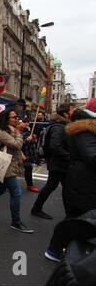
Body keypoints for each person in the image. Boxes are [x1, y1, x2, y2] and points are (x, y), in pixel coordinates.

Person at [44, 103, 96, 262]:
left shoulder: (80, 130)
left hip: (77, 177)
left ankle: (60, 249)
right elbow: (54, 146)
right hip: (79, 178)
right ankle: (60, 250)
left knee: (76, 215)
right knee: (78, 216)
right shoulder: (83, 130)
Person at [30, 104, 75, 220]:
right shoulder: (58, 127)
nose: (74, 112)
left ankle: (69, 213)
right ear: (65, 114)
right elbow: (55, 146)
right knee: (51, 186)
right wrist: (69, 157)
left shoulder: (62, 126)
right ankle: (36, 209)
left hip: (61, 163)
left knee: (65, 187)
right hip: (58, 163)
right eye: (72, 110)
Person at [21, 118, 40, 193]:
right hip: (22, 154)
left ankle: (30, 185)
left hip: (28, 154)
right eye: (24, 122)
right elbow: (17, 143)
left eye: (28, 122)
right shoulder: (19, 131)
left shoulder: (28, 131)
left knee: (28, 169)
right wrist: (26, 140)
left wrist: (33, 139)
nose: (26, 123)